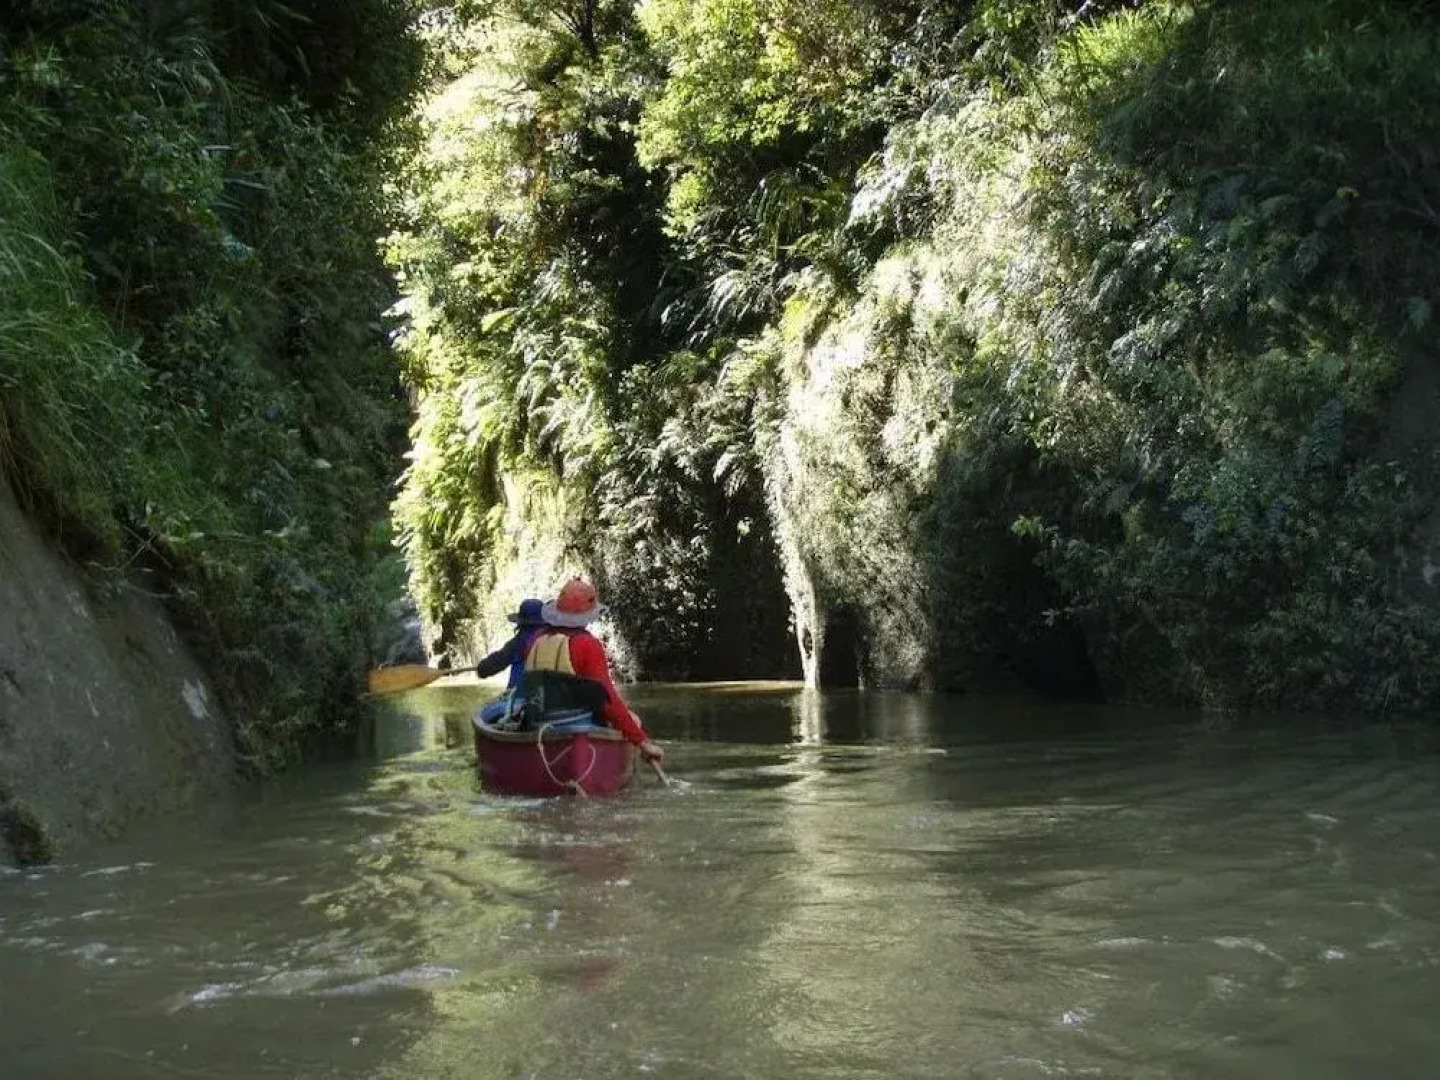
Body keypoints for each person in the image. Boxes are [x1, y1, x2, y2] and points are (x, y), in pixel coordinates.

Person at [523, 577, 664, 767]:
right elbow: (607, 701)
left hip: (537, 726)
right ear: (588, 615)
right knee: (632, 719)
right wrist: (642, 742)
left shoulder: (535, 640)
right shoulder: (588, 645)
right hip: (580, 729)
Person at [473, 598, 547, 689]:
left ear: (520, 622)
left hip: (520, 695)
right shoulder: (556, 640)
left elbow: (496, 662)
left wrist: (481, 668)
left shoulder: (517, 643)